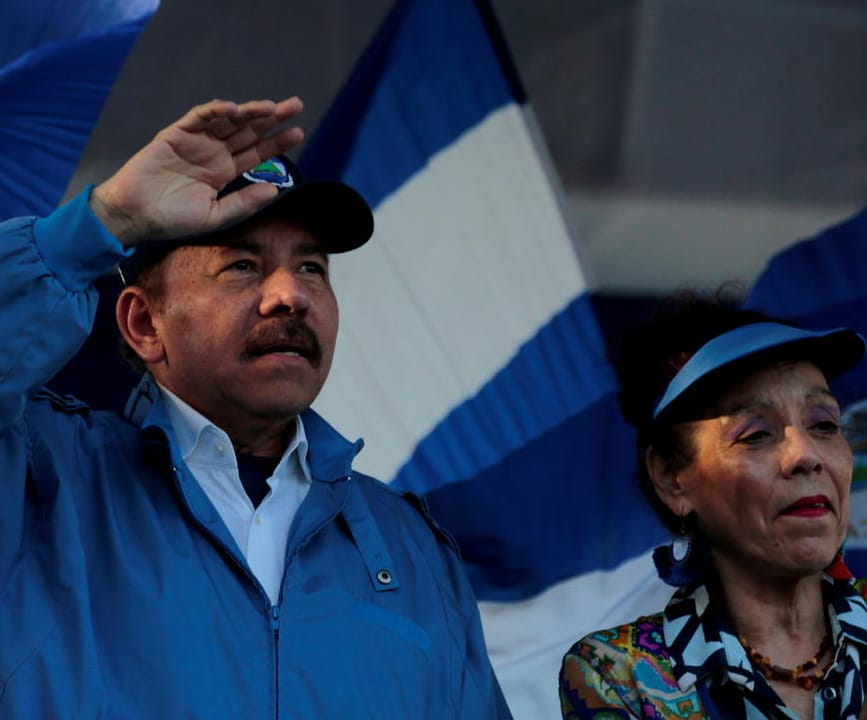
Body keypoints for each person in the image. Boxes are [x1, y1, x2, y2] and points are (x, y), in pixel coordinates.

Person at [0, 97, 512, 718]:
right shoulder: (38, 474)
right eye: (242, 265)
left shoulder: (412, 547)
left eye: (313, 269)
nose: (290, 295)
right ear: (144, 322)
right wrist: (101, 220)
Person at [558, 290, 867, 719]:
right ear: (672, 479)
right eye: (756, 434)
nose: (805, 455)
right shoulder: (618, 674)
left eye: (825, 425)